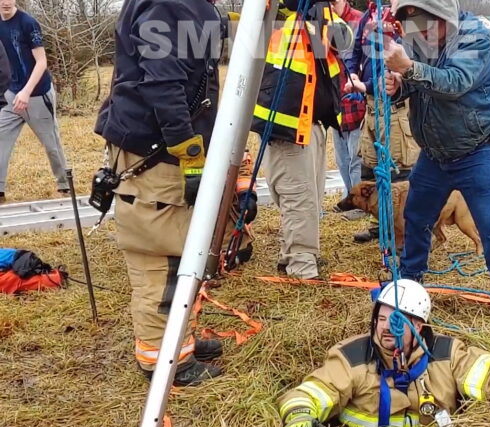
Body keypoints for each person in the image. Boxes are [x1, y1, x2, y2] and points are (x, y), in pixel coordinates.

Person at [94, 0, 236, 385]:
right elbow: (162, 82)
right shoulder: (168, 4)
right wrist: (187, 148)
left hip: (156, 146)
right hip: (157, 151)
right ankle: (162, 358)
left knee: (179, 246)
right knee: (160, 254)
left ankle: (178, 338)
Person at [382, 0, 490, 318]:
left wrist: (408, 68)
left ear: (444, 16)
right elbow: (415, 86)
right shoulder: (418, 41)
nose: (420, 32)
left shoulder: (474, 37)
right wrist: (397, 87)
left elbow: (454, 83)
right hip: (434, 155)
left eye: (426, 24)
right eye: (413, 26)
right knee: (416, 218)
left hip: (477, 151)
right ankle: (409, 284)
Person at [279, 279, 490, 427]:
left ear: (418, 326)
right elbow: (315, 390)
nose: (385, 327)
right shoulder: (353, 356)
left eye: (395, 320)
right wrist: (299, 414)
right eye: (380, 319)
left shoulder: (445, 354)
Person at [252, 0, 352, 279]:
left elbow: (342, 38)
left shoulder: (316, 15)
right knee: (299, 197)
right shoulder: (272, 16)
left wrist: (321, 8)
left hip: (312, 124)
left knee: (310, 196)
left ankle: (293, 255)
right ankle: (302, 265)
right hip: (289, 127)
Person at [343, 2, 420, 243]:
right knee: (372, 167)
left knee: (398, 171)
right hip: (371, 106)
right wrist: (353, 73)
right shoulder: (369, 14)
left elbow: (405, 61)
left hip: (394, 106)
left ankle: (405, 228)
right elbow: (356, 50)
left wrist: (365, 85)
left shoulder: (404, 16)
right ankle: (381, 223)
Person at [0, 0, 69, 203]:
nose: (5, 2)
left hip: (37, 93)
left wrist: (26, 93)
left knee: (51, 144)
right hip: (13, 94)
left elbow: (42, 62)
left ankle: (65, 187)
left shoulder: (28, 23)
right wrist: (16, 92)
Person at [330, 0, 365, 211]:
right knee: (342, 159)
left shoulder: (359, 22)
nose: (332, 5)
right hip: (334, 104)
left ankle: (359, 203)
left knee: (356, 157)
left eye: (335, 1)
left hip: (355, 102)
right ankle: (349, 195)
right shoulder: (323, 23)